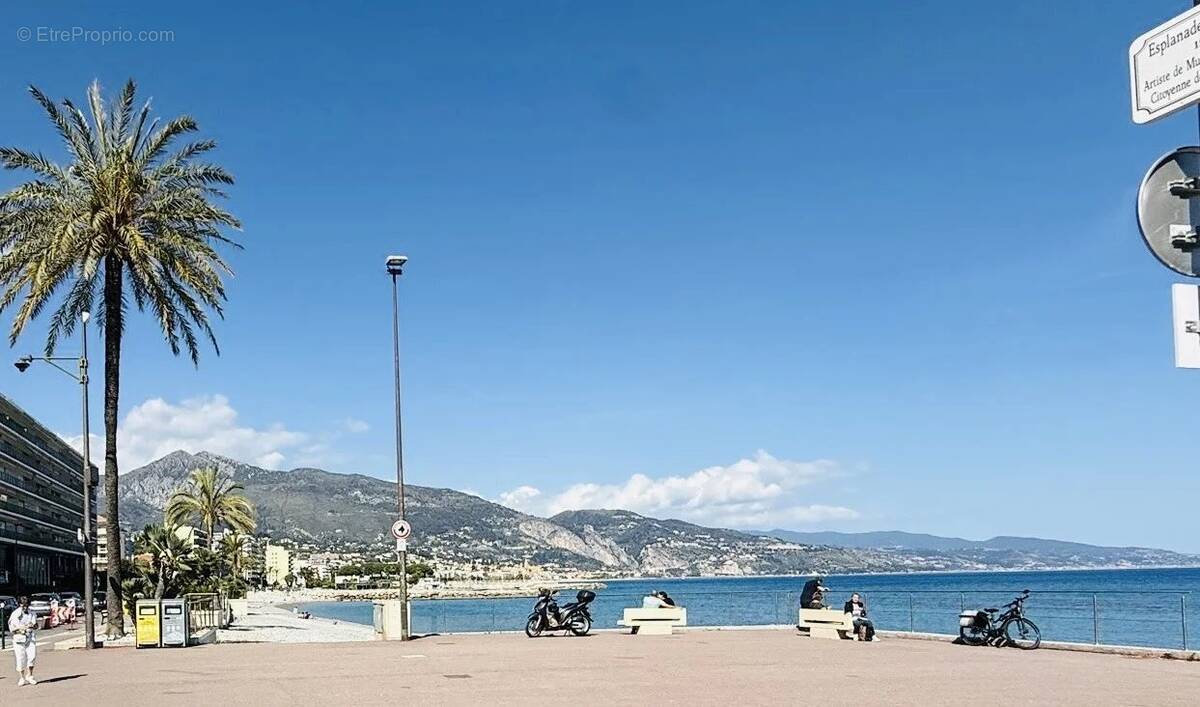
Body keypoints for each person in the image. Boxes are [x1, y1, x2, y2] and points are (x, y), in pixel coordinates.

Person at [8, 595, 39, 686]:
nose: (25, 607)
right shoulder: (15, 614)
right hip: (19, 638)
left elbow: (36, 625)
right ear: (20, 605)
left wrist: (33, 625)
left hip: (30, 637)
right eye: (23, 605)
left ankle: (30, 675)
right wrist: (21, 628)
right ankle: (21, 677)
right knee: (20, 658)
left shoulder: (31, 613)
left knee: (32, 656)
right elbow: (12, 629)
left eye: (27, 605)